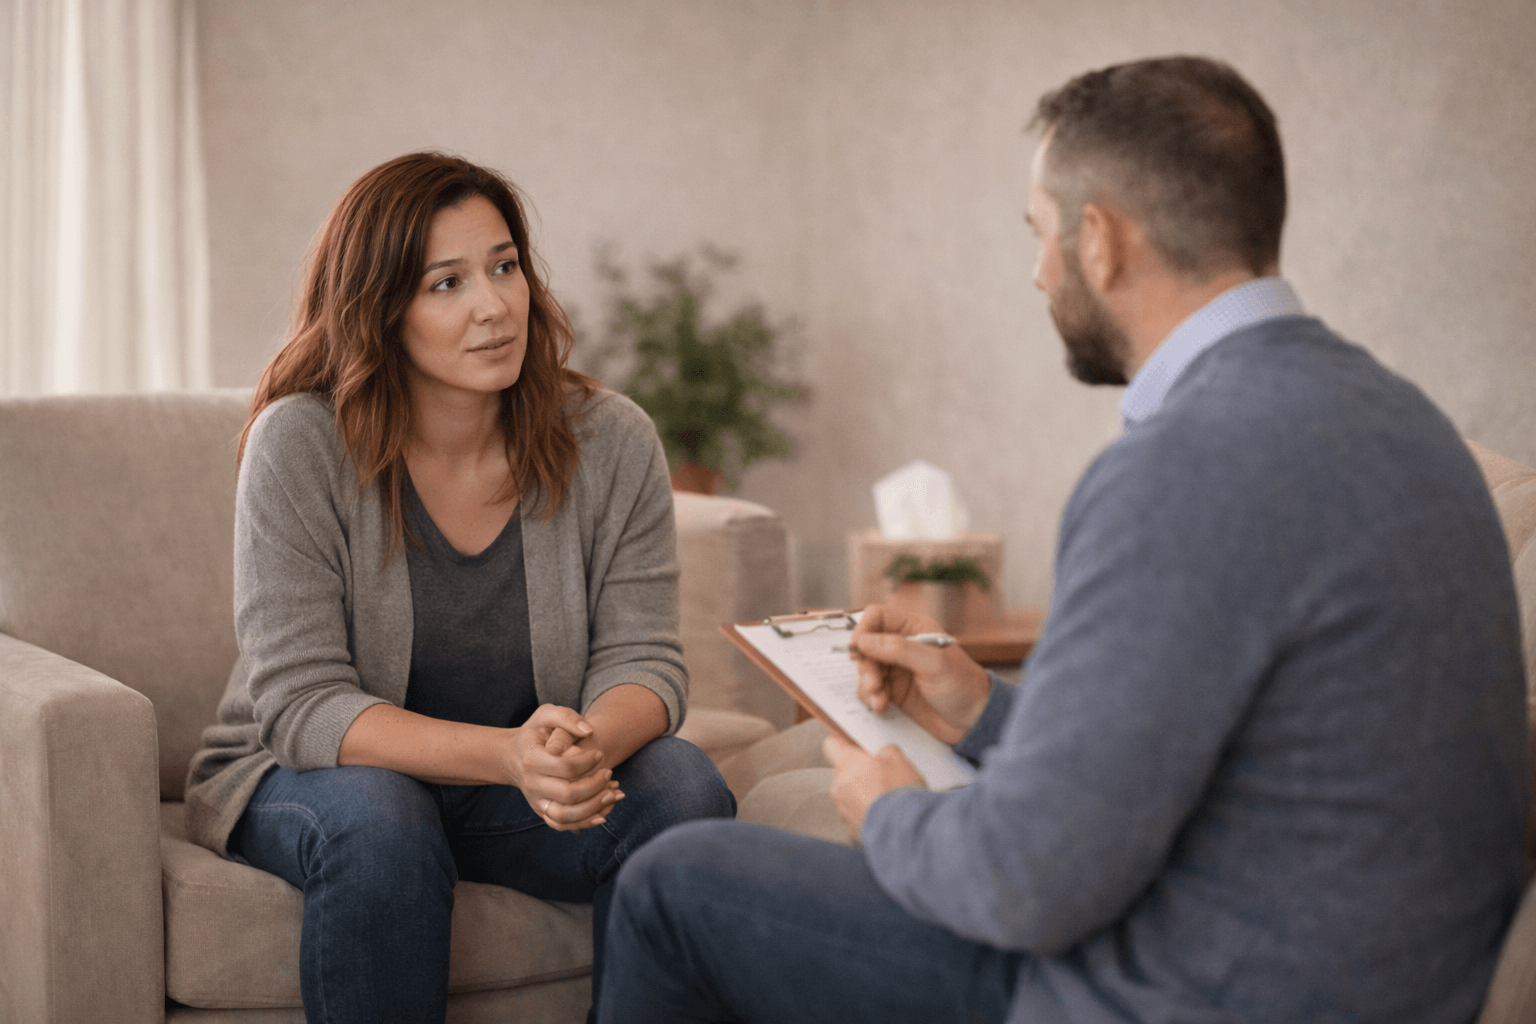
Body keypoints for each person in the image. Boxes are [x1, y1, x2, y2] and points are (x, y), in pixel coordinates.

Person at [597, 56, 1528, 1024]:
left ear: (1101, 239)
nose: (1038, 271)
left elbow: (1023, 883)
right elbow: (1204, 746)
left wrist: (893, 810)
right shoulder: (1410, 425)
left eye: (1040, 233)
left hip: (1193, 988)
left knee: (673, 881)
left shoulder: (1179, 467)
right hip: (1387, 973)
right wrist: (984, 708)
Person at [183, 152, 735, 1023]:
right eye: (446, 283)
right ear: (379, 309)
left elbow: (645, 658)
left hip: (517, 785)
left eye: (505, 266)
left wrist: (574, 750)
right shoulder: (298, 444)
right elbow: (300, 702)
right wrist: (508, 756)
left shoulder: (612, 439)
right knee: (381, 819)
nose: (493, 305)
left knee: (683, 789)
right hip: (311, 773)